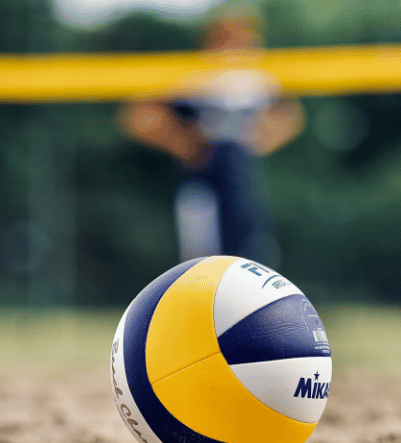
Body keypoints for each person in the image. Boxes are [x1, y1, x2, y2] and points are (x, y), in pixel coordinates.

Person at [119, 6, 305, 266]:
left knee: (248, 242)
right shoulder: (193, 76)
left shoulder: (258, 79)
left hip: (241, 173)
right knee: (200, 249)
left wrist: (258, 141)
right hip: (202, 171)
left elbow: (291, 116)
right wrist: (181, 143)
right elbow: (137, 116)